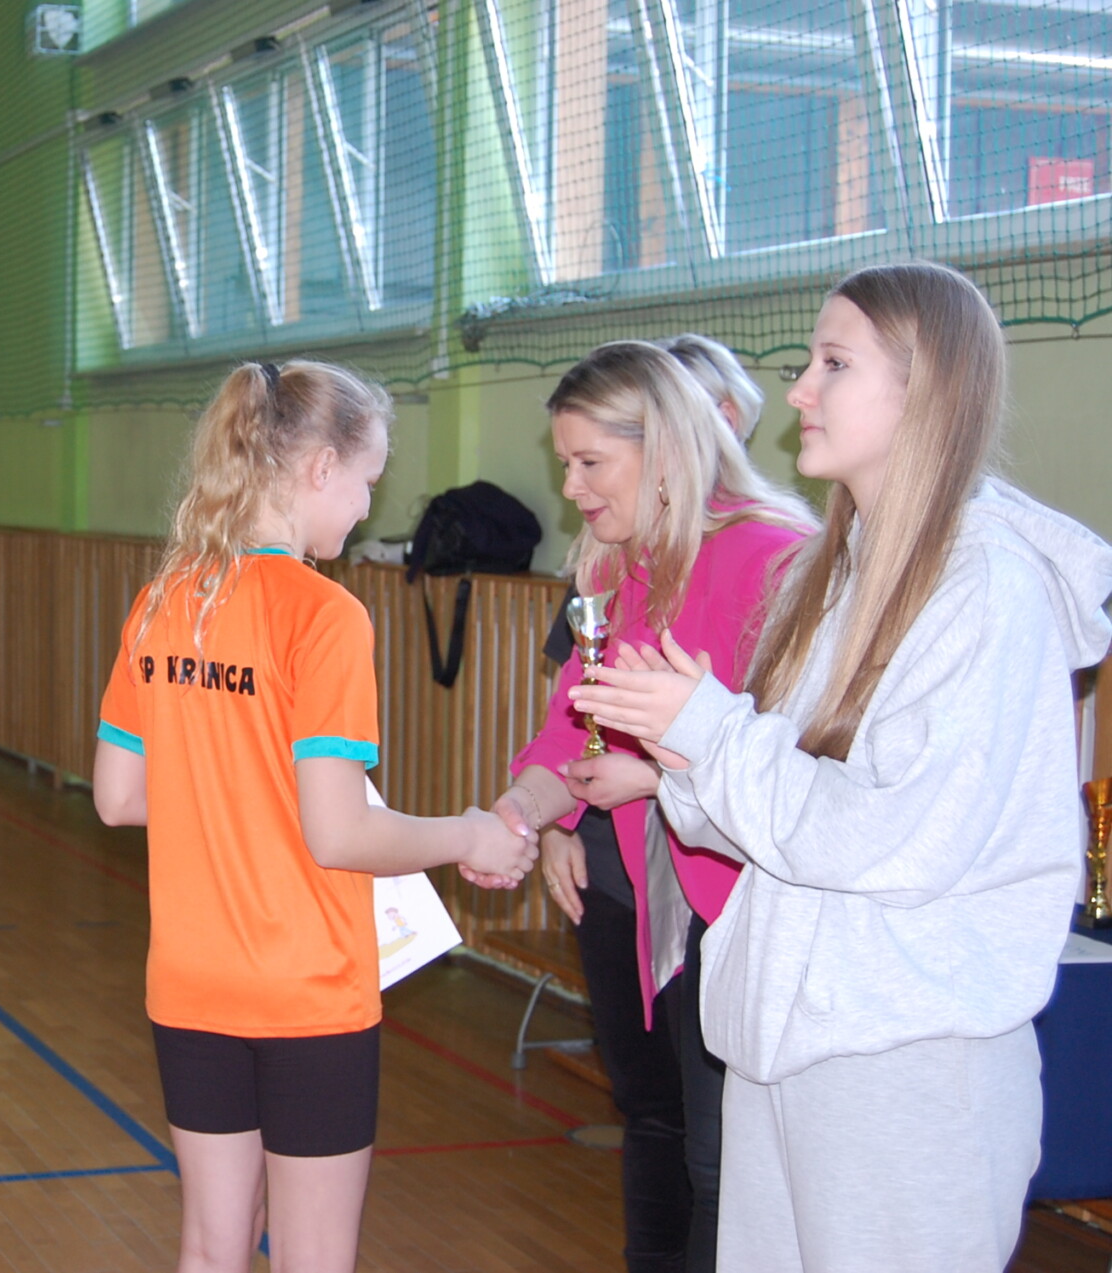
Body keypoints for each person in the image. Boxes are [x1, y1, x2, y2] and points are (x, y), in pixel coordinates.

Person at [571, 261, 1112, 1271]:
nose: (799, 391)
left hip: (906, 1064)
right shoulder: (835, 574)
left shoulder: (985, 590)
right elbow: (770, 814)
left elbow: (888, 834)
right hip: (793, 1040)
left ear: (925, 388)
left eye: (833, 363)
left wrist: (716, 733)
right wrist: (688, 749)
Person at [91, 359, 539, 1272]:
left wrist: (233, 795)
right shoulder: (326, 616)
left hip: (191, 980)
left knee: (210, 1247)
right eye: (368, 481)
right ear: (320, 467)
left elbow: (119, 796)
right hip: (305, 991)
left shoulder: (165, 599)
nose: (367, 508)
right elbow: (337, 833)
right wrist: (470, 833)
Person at [501, 341, 812, 1272]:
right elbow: (569, 735)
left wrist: (652, 778)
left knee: (723, 1161)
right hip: (652, 894)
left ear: (667, 448)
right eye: (567, 463)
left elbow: (796, 761)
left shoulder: (775, 558)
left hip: (741, 904)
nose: (572, 487)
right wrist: (517, 814)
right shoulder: (613, 570)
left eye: (590, 462)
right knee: (655, 1120)